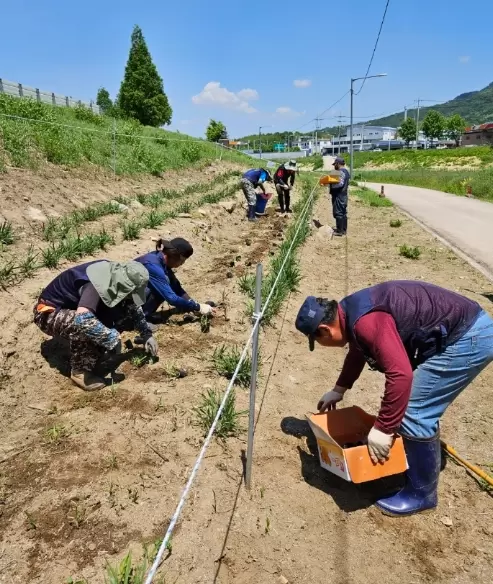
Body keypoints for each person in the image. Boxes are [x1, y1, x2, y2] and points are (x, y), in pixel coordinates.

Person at [295, 280, 493, 516]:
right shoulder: (350, 311)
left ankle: (421, 495)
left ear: (326, 330)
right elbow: (358, 350)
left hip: (468, 338)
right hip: (466, 327)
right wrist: (339, 389)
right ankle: (418, 457)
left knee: (413, 410)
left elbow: (400, 375)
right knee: (416, 403)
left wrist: (384, 428)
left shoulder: (366, 322)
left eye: (317, 340)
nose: (321, 345)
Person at [34, 260, 159, 391]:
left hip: (75, 309)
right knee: (86, 325)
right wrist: (111, 338)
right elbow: (83, 320)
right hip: (48, 313)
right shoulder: (95, 283)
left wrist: (146, 334)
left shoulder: (117, 276)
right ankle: (80, 373)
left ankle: (93, 353)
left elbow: (132, 305)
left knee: (118, 314)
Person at [134, 237, 215, 323]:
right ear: (174, 255)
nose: (182, 264)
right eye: (182, 260)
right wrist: (198, 307)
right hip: (124, 305)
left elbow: (177, 289)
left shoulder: (161, 260)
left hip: (133, 298)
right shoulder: (153, 265)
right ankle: (136, 319)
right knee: (164, 284)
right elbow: (172, 298)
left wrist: (193, 304)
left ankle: (141, 315)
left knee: (167, 282)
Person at [329, 156, 350, 236]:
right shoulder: (346, 172)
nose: (334, 166)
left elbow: (339, 185)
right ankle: (344, 230)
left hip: (339, 195)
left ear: (338, 164)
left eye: (335, 164)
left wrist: (330, 180)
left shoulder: (339, 172)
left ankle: (339, 231)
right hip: (344, 195)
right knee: (343, 212)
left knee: (338, 213)